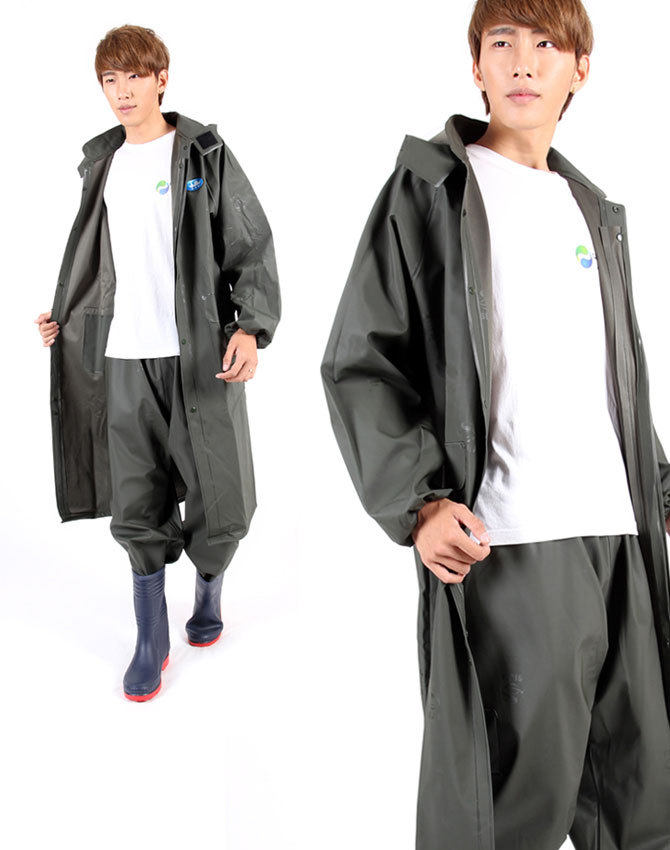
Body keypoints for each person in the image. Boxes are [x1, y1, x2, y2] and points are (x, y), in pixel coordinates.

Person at [320, 1, 670, 847]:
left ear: (580, 68)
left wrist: (659, 490)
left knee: (642, 800)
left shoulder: (592, 209)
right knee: (507, 811)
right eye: (502, 42)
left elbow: (612, 382)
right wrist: (417, 503)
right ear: (475, 65)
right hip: (510, 542)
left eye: (546, 44)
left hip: (621, 540)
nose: (522, 61)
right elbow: (362, 361)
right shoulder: (432, 189)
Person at [35, 24, 281, 702]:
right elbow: (96, 261)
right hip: (123, 359)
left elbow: (250, 244)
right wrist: (66, 316)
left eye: (134, 77)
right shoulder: (103, 164)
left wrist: (251, 328)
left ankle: (208, 593)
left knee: (221, 496)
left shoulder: (202, 152)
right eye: (110, 80)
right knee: (136, 500)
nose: (122, 91)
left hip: (198, 356)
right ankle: (151, 637)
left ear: (161, 79)